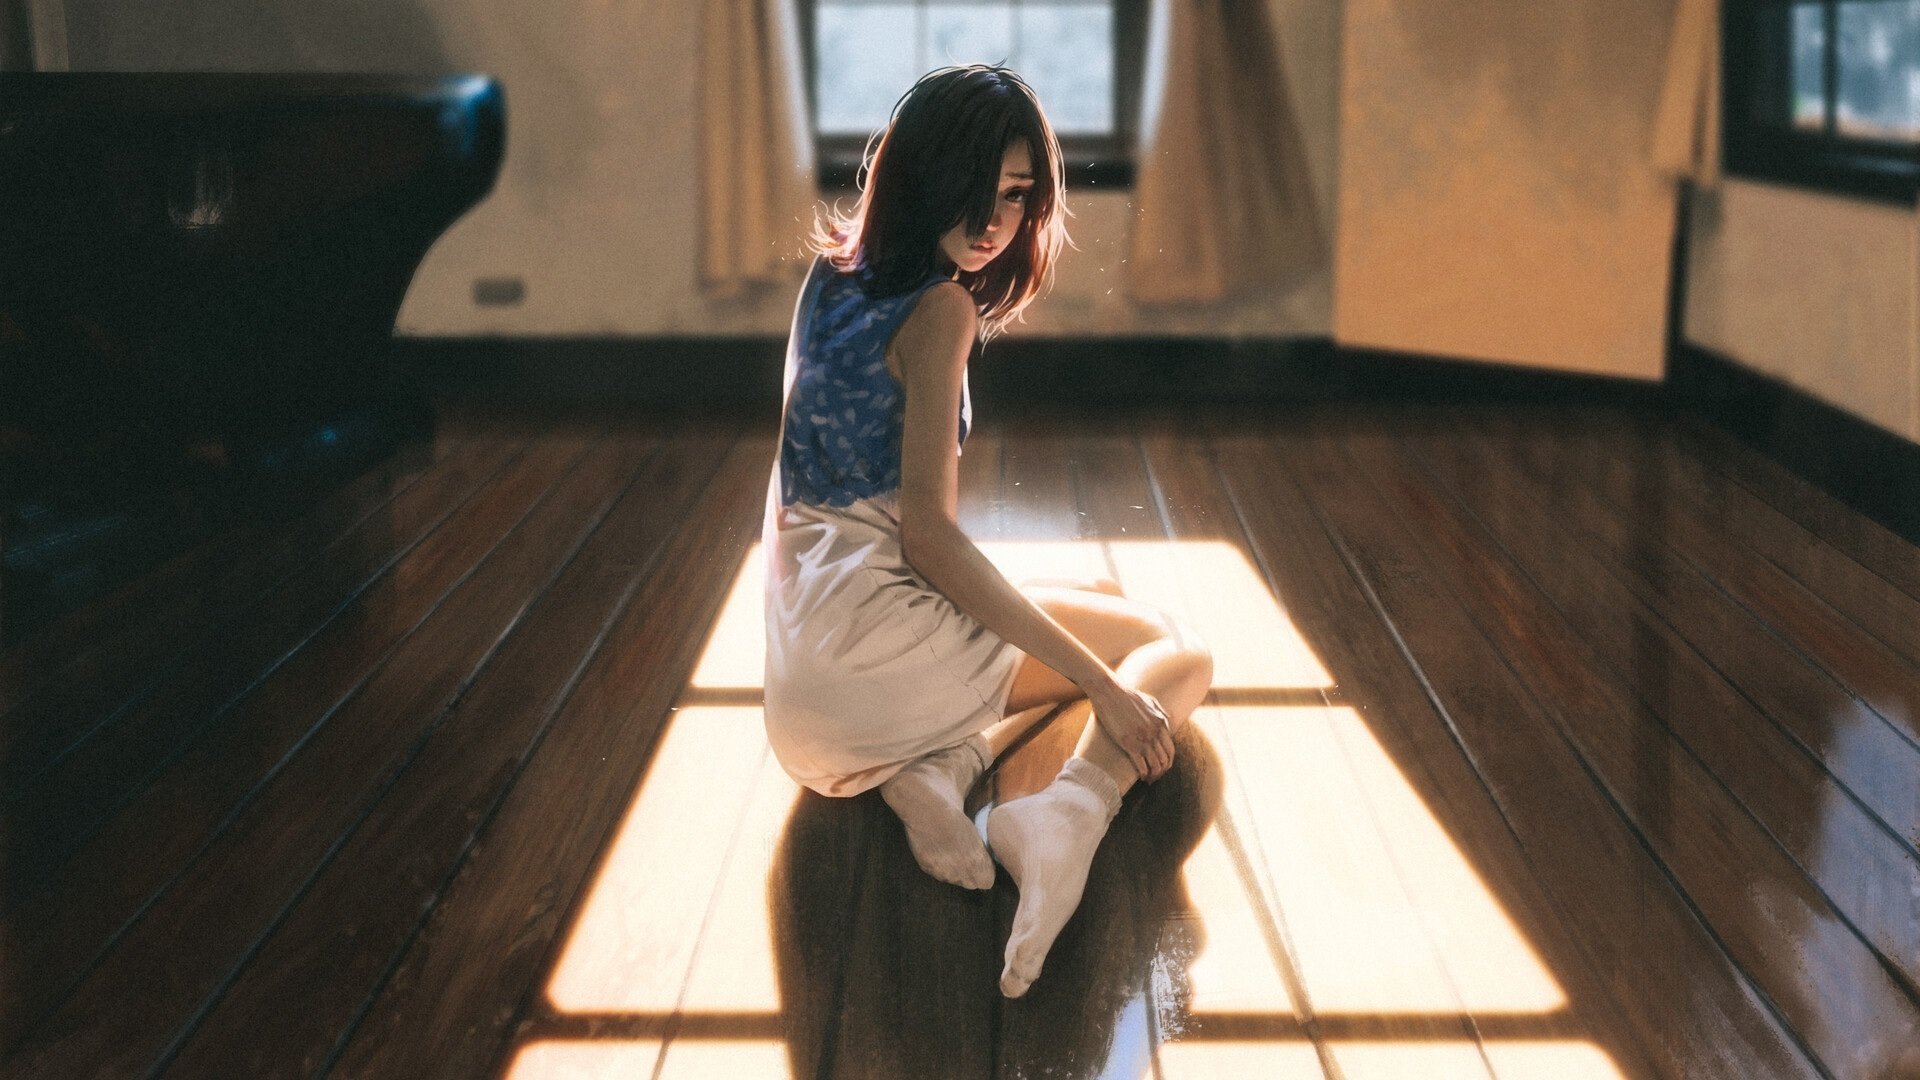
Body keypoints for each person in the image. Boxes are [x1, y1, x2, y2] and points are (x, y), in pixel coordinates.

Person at [761, 64, 1215, 998]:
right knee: (1168, 652)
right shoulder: (941, 310)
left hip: (797, 685)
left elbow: (831, 511)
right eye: (974, 190)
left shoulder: (828, 275)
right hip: (869, 653)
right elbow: (929, 540)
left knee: (1074, 613)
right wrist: (1103, 694)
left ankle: (922, 774)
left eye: (1015, 195)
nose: (994, 221)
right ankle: (1066, 818)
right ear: (920, 175)